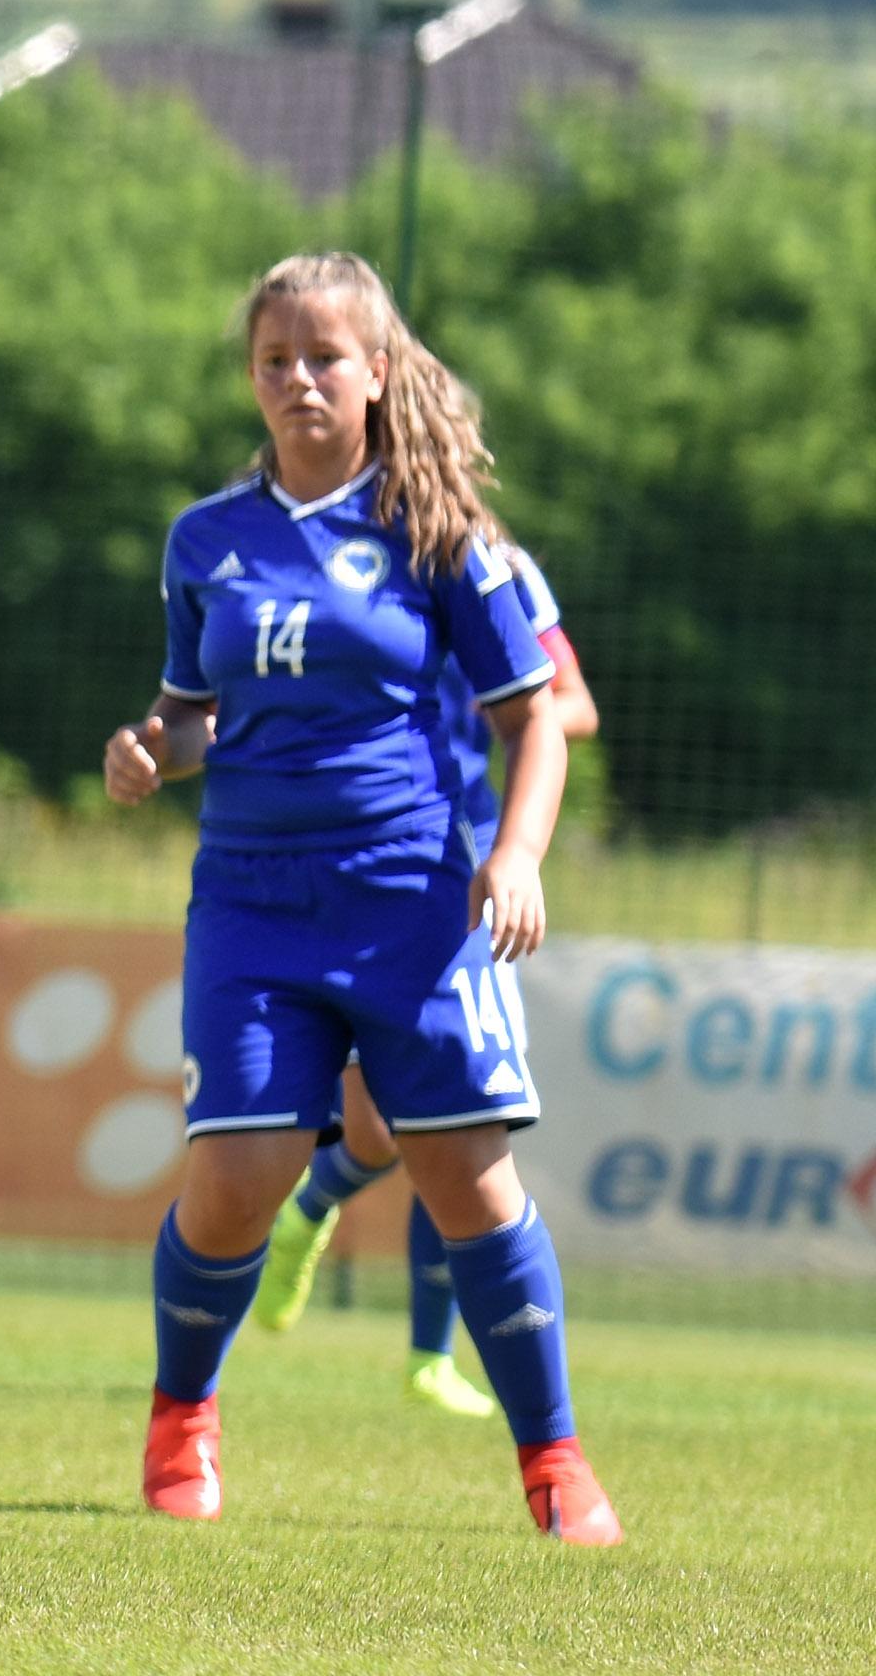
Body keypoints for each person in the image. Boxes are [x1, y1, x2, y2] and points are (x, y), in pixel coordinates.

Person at [103, 251, 619, 1544]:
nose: (298, 382)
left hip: (415, 903)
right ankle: (184, 1418)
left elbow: (540, 721)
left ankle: (555, 1464)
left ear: (379, 373)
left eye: (325, 358)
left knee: (469, 1178)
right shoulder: (207, 539)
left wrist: (518, 855)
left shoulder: (444, 535)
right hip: (253, 905)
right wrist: (150, 748)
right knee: (242, 1176)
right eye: (275, 361)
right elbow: (195, 712)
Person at [252, 544, 601, 1417]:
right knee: (378, 1133)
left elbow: (571, 706)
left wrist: (503, 694)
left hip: (470, 859)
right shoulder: (323, 555)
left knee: (455, 1126)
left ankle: (427, 1358)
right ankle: (310, 1210)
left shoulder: (502, 567)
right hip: (358, 857)